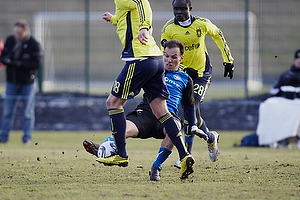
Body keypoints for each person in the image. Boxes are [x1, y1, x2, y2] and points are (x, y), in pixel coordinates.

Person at [84, 39, 208, 181]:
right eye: (166, 56)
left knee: (175, 127)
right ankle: (105, 150)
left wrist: (192, 125)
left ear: (181, 58)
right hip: (145, 114)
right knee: (122, 130)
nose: (169, 60)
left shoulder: (186, 79)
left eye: (174, 57)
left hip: (167, 118)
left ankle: (156, 167)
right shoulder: (155, 71)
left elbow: (189, 106)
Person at [97, 0, 194, 180]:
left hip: (140, 58)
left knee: (113, 103)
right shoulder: (122, 4)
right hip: (156, 58)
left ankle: (121, 154)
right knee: (161, 110)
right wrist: (113, 19)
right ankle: (185, 155)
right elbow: (128, 17)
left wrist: (145, 28)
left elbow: (142, 3)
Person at [161, 0, 235, 168]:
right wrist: (178, 70)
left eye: (182, 8)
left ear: (190, 9)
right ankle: (210, 137)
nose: (178, 12)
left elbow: (218, 35)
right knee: (194, 116)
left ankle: (185, 156)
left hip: (201, 74)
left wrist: (228, 60)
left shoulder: (202, 24)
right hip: (182, 74)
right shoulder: (169, 28)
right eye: (175, 9)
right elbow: (165, 53)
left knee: (191, 107)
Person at [0, 19, 43, 144]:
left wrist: (17, 64)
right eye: (15, 33)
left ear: (26, 31)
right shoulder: (10, 40)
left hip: (27, 83)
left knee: (28, 112)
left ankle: (27, 137)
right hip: (11, 82)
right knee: (8, 111)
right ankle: (4, 137)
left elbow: (36, 63)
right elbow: (3, 56)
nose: (17, 36)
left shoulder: (34, 44)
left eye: (19, 34)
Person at [256, 49, 300, 149]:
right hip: (286, 102)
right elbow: (274, 90)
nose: (299, 60)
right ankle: (274, 139)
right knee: (268, 105)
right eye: (297, 58)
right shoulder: (287, 75)